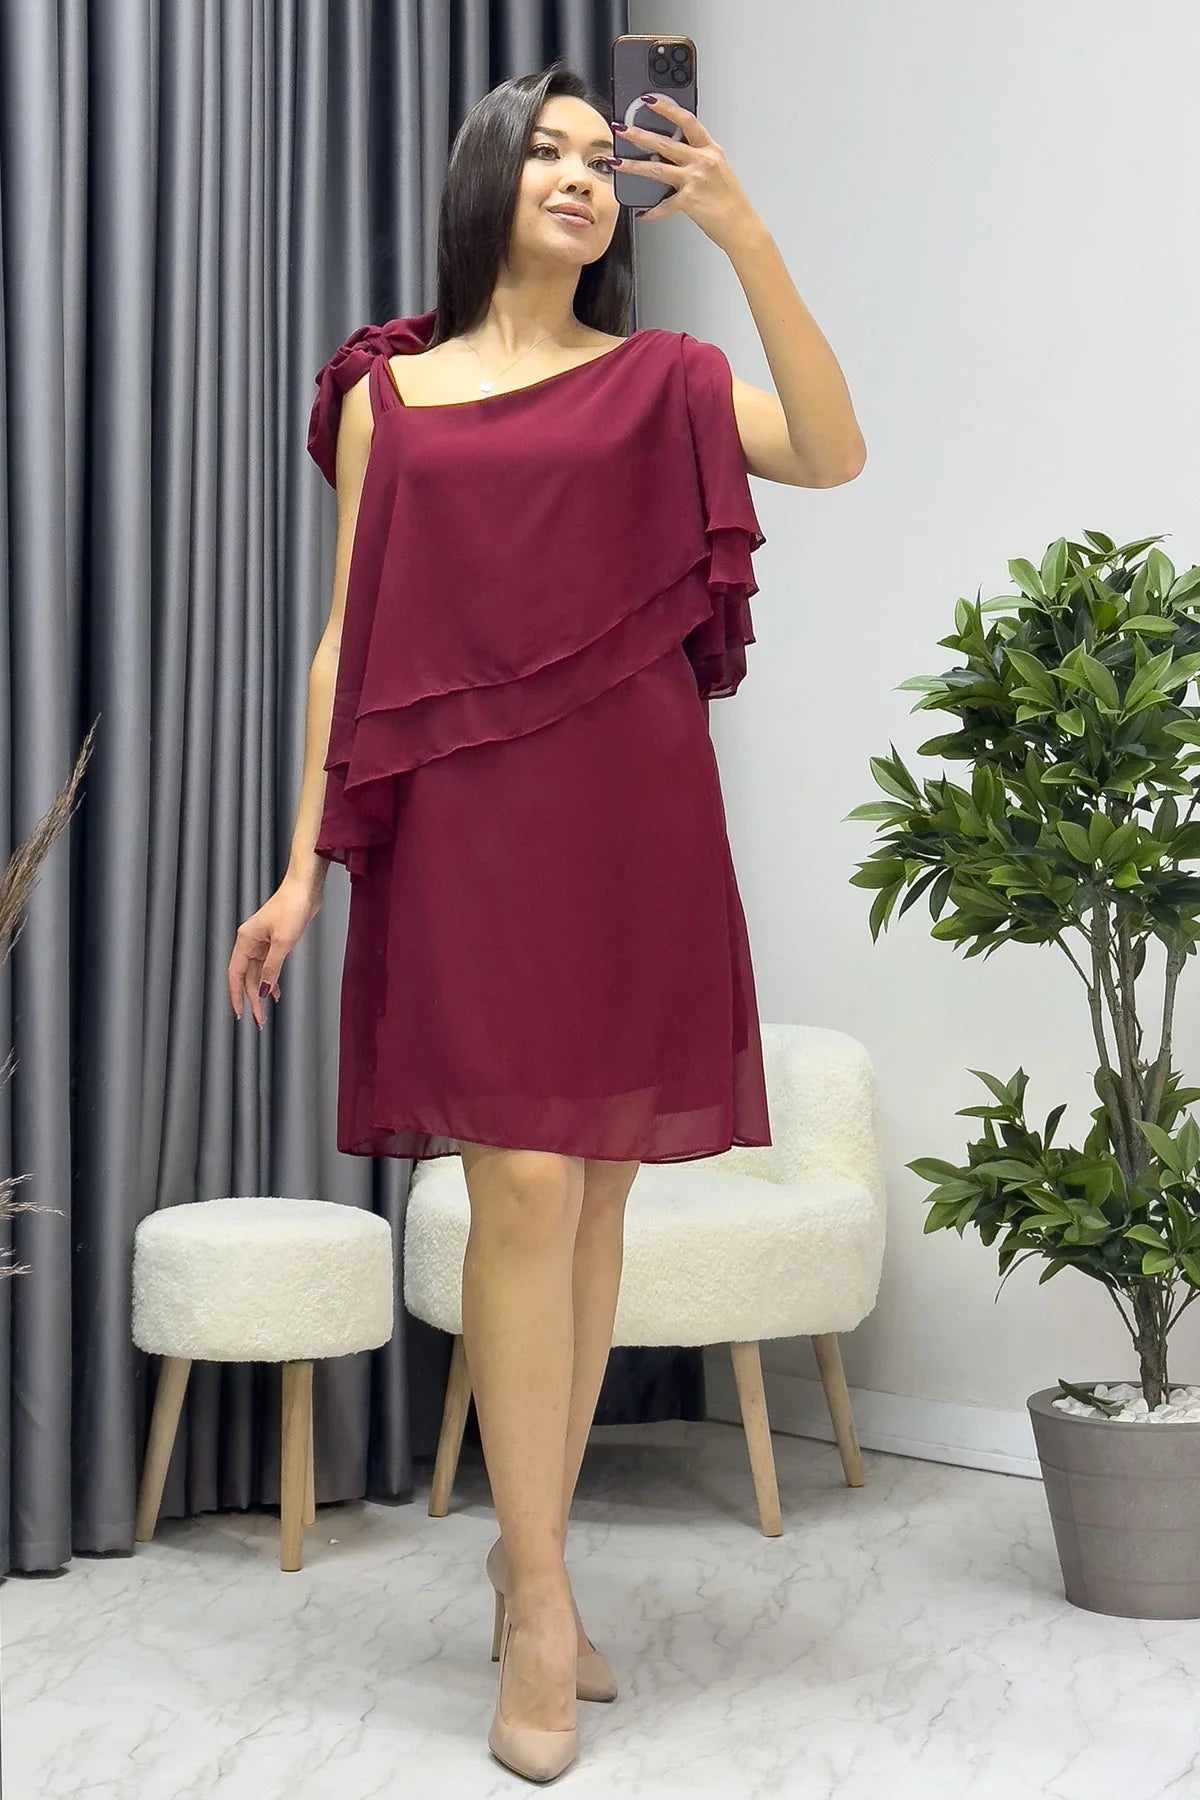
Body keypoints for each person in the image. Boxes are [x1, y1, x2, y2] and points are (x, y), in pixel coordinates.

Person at [227, 59, 865, 1786]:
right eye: (549, 154)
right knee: (517, 1184)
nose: (582, 177)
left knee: (588, 1205)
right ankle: (538, 1598)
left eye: (602, 159)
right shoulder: (390, 395)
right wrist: (301, 865)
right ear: (488, 180)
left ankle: (534, 1570)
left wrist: (742, 231)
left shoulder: (665, 381)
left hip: (633, 820)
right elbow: (345, 645)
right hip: (467, 831)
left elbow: (833, 450)